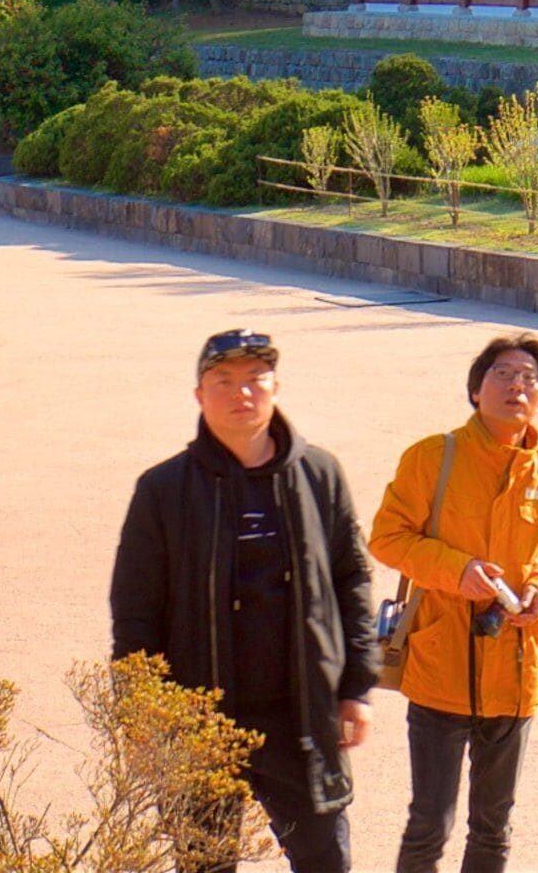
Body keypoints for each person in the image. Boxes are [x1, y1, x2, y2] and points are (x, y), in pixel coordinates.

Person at [108, 327, 382, 873]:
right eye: (224, 381)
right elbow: (135, 613)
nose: (242, 393)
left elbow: (352, 581)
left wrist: (357, 686)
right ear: (199, 395)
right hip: (201, 720)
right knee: (204, 864)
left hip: (299, 716)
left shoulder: (319, 475)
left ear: (276, 387)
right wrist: (141, 713)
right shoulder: (163, 489)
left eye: (256, 379)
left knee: (326, 861)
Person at [370, 331, 538, 873]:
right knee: (430, 823)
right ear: (475, 391)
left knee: (494, 828)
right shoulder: (431, 458)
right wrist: (455, 572)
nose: (517, 386)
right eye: (503, 375)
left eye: (529, 379)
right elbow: (388, 537)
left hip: (514, 671)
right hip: (441, 665)